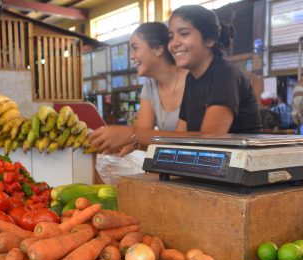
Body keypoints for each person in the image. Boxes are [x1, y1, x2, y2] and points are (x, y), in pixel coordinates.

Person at [90, 5, 262, 154]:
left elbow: (210, 140)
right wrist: (135, 143)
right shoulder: (193, 80)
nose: (174, 43)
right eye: (172, 36)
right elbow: (179, 138)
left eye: (184, 34)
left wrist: (133, 134)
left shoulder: (225, 74)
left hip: (245, 182)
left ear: (209, 39)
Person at [90, 22, 188, 155]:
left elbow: (185, 140)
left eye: (135, 48)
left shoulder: (192, 80)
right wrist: (121, 145)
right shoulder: (150, 84)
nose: (131, 56)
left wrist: (132, 134)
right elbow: (142, 135)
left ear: (158, 49)